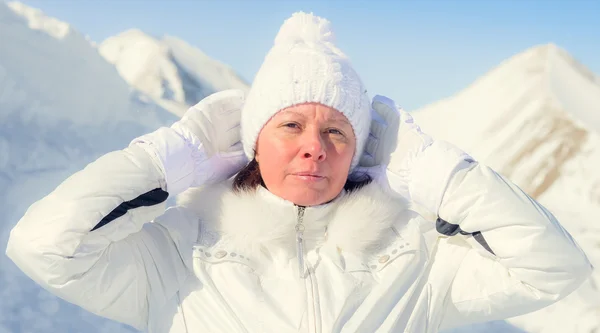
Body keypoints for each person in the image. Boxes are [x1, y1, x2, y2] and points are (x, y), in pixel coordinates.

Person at [6, 11, 592, 333]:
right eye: (290, 126)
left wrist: (440, 172)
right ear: (252, 141)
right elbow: (43, 246)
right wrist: (165, 157)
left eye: (337, 131)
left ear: (360, 150)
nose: (314, 147)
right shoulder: (176, 258)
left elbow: (554, 269)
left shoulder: (414, 261)